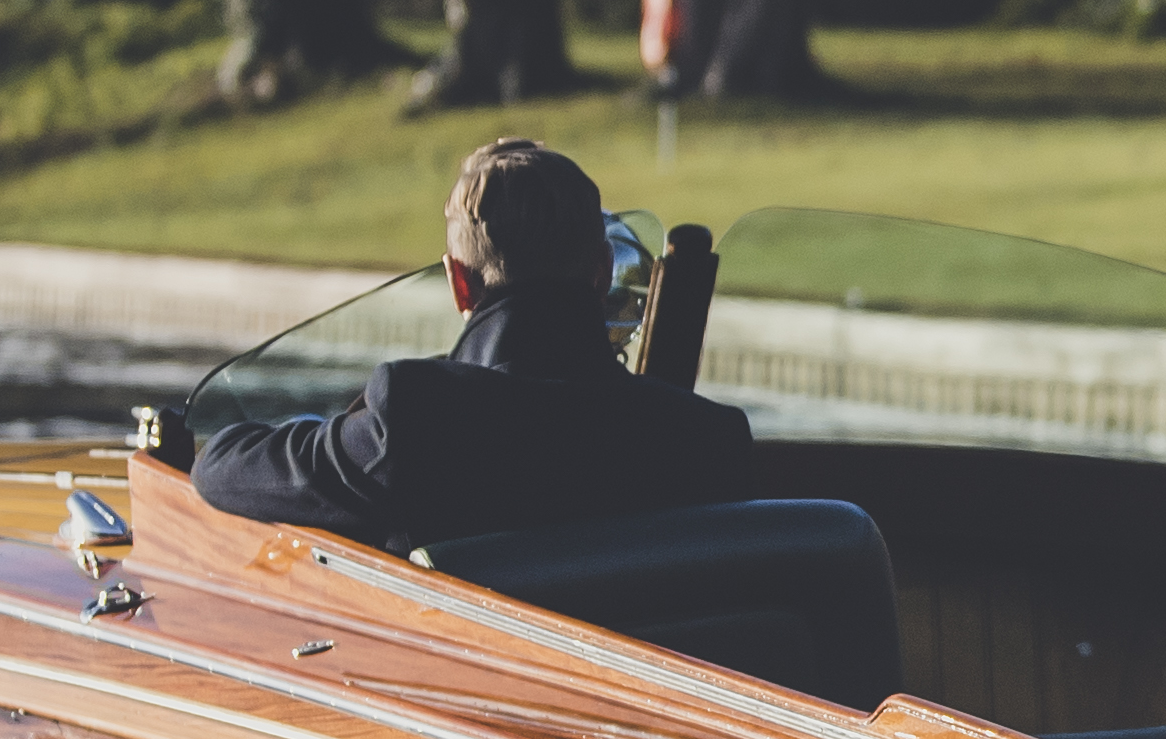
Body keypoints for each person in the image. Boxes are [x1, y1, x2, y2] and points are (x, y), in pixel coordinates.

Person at [191, 138, 753, 546]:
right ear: (603, 270)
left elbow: (223, 468)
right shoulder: (709, 438)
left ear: (460, 281)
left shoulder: (418, 416)